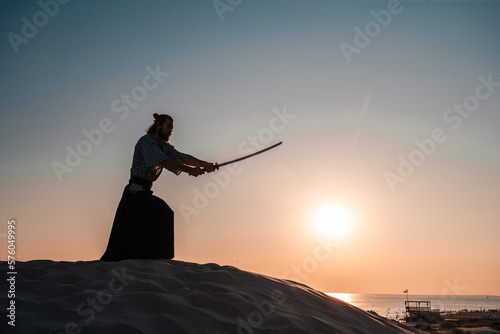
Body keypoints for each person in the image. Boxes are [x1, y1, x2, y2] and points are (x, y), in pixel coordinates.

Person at [100, 113, 218, 261]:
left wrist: (205, 164)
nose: (170, 131)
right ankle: (161, 259)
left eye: (172, 129)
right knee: (164, 213)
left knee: (146, 225)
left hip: (144, 192)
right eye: (168, 127)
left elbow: (182, 157)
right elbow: (165, 162)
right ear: (158, 126)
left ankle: (151, 258)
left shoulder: (165, 147)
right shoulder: (146, 142)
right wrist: (191, 170)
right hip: (135, 193)